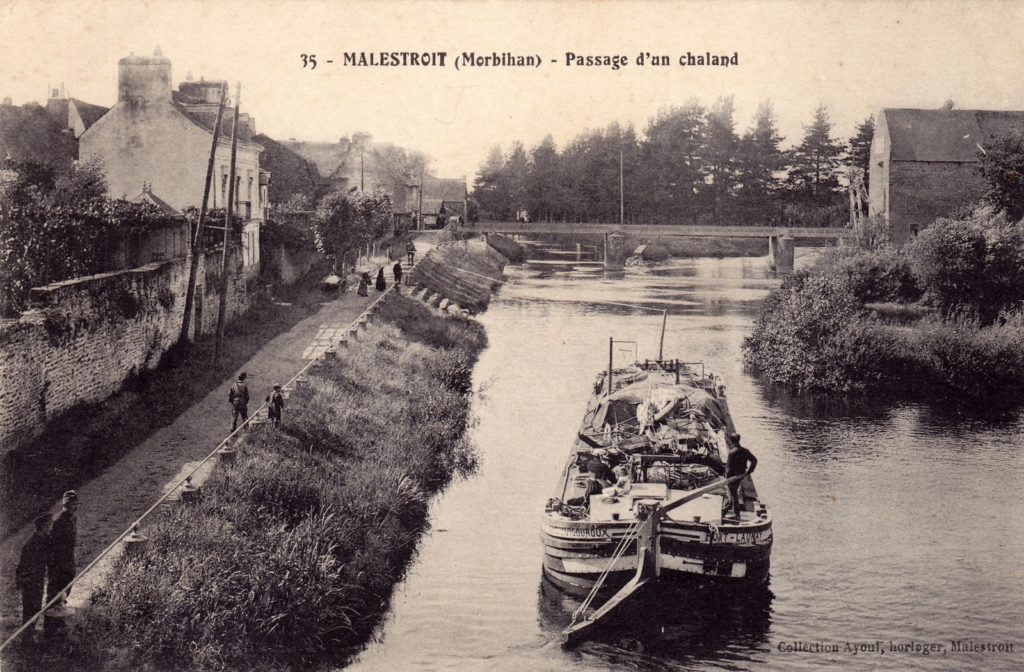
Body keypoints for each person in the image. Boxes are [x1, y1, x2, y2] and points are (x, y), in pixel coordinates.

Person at [16, 513, 51, 639]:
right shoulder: (31, 545)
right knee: (29, 610)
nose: (49, 529)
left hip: (38, 581)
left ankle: (29, 635)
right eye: (47, 527)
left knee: (36, 609)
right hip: (30, 582)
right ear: (41, 527)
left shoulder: (43, 541)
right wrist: (28, 580)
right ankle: (26, 640)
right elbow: (22, 567)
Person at [46, 491, 77, 606]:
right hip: (58, 561)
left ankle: (61, 605)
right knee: (55, 590)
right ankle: (51, 617)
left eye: (76, 504)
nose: (75, 507)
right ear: (66, 505)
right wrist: (55, 563)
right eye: (73, 504)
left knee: (68, 581)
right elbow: (52, 544)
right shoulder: (57, 521)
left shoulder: (73, 518)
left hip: (69, 557)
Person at [725, 433, 758, 519]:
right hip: (740, 475)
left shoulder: (731, 452)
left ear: (731, 441)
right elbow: (754, 460)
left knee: (733, 494)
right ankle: (729, 511)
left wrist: (726, 478)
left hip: (732, 476)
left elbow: (728, 467)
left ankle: (736, 514)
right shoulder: (745, 451)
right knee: (733, 493)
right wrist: (749, 472)